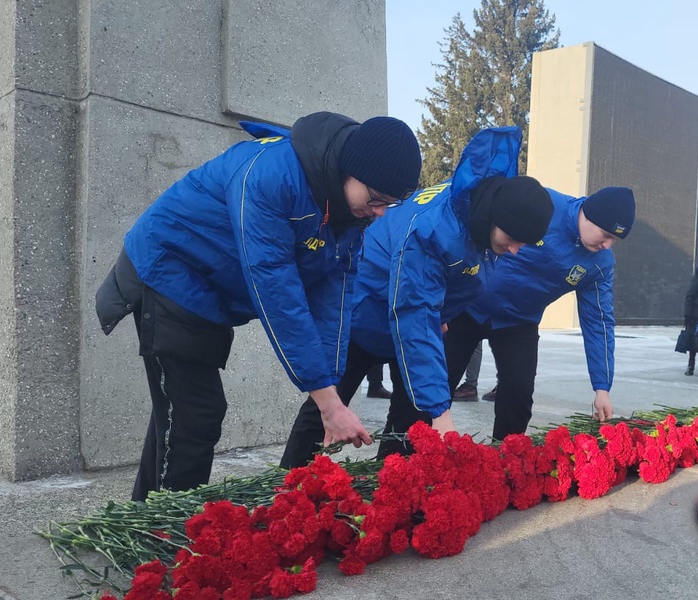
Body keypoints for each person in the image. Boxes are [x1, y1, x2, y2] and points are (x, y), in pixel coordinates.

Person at [95, 112, 421, 501]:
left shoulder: (347, 214)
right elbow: (277, 290)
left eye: (391, 204)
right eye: (377, 199)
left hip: (209, 296)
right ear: (350, 171)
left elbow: (334, 297)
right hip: (167, 271)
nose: (381, 212)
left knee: (182, 414)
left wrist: (330, 387)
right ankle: (162, 537)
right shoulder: (271, 177)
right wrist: (327, 402)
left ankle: (146, 519)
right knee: (194, 416)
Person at [280, 126, 554, 466]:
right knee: (328, 406)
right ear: (493, 217)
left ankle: (391, 484)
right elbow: (413, 311)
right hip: (364, 309)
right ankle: (289, 487)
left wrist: (445, 315)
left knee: (412, 416)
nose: (514, 250)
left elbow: (453, 284)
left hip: (408, 314)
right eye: (512, 239)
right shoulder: (434, 230)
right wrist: (441, 411)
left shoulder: (476, 213)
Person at [444, 186, 636, 440]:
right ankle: (400, 457)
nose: (607, 245)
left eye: (615, 240)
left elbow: (598, 322)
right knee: (433, 383)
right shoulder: (541, 206)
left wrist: (602, 387)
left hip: (519, 321)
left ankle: (505, 463)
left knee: (518, 396)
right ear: (588, 215)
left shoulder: (599, 264)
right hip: (467, 306)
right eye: (605, 234)